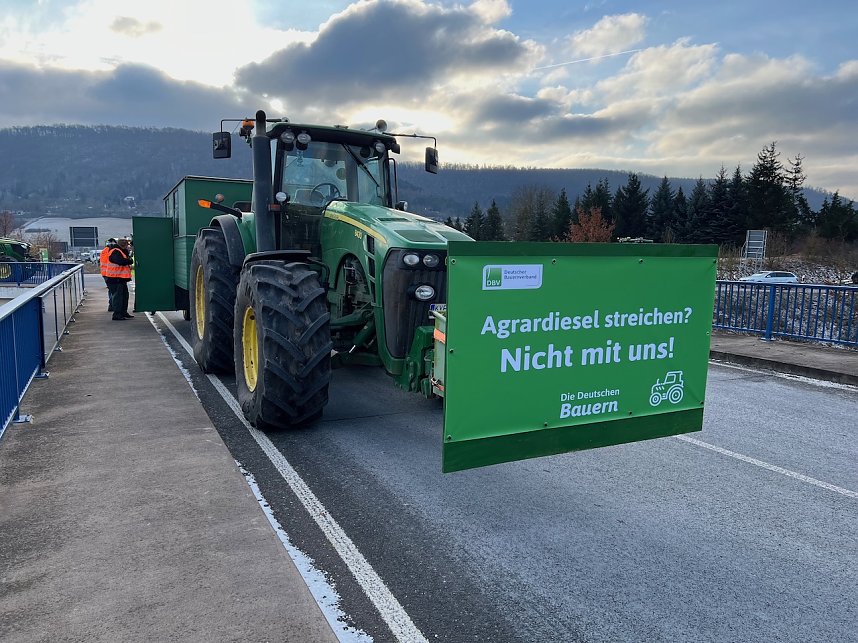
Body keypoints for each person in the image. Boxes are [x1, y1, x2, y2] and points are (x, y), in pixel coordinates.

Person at [103, 237, 134, 320]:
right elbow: (120, 261)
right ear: (123, 245)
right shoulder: (115, 251)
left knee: (124, 296)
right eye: (127, 245)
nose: (128, 246)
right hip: (115, 278)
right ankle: (117, 314)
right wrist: (129, 260)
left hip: (120, 278)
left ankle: (123, 312)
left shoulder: (120, 251)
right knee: (118, 297)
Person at [99, 238, 118, 312]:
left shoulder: (103, 251)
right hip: (111, 273)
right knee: (114, 290)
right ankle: (112, 305)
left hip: (104, 273)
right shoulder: (112, 251)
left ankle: (111, 305)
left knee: (110, 289)